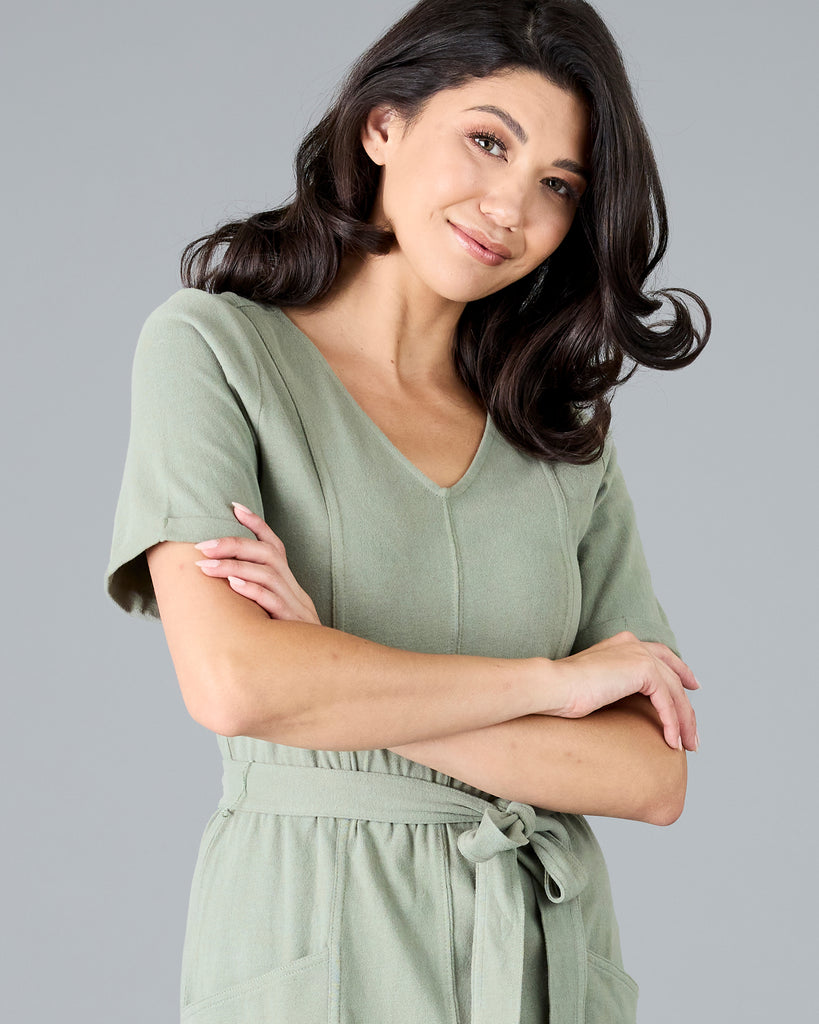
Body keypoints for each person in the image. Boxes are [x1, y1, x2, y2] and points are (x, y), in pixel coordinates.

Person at [106, 0, 709, 1021]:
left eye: (558, 186)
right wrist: (553, 686)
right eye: (487, 141)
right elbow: (237, 681)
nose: (511, 206)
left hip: (540, 958)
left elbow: (650, 774)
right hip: (317, 936)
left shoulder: (560, 441)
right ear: (381, 125)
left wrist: (334, 671)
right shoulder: (214, 352)